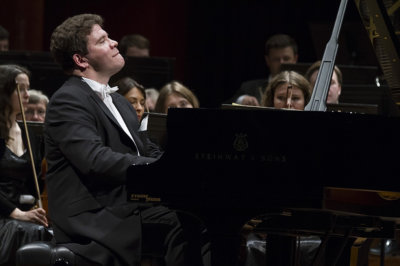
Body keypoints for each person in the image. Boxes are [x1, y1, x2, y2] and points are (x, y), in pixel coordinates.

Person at [45, 13, 209, 266]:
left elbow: (147, 148)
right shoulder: (68, 100)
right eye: (102, 40)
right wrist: (157, 170)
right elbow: (94, 159)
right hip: (96, 213)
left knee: (202, 213)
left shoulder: (120, 101)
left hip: (130, 204)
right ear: (80, 59)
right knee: (189, 221)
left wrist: (179, 166)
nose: (114, 43)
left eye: (109, 37)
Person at [0, 64, 52, 265]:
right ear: (3, 92)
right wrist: (18, 214)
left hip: (16, 216)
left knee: (43, 231)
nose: (27, 95)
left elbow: (32, 185)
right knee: (28, 232)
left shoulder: (27, 133)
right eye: (20, 89)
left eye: (27, 88)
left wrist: (34, 208)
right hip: (7, 217)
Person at [229, 34, 298, 106]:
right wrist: (241, 100)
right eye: (276, 59)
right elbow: (225, 105)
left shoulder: (306, 87)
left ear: (295, 59)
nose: (282, 63)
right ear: (267, 60)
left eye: (286, 58)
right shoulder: (249, 88)